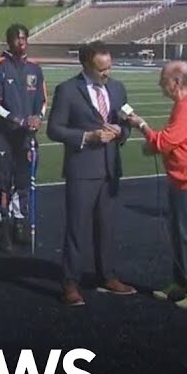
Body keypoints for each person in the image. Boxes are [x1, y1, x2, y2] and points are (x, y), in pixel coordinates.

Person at [45, 41, 137, 307]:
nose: (107, 73)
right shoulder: (67, 90)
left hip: (110, 168)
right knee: (77, 229)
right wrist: (88, 136)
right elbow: (54, 129)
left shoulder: (117, 88)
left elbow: (125, 123)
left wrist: (122, 133)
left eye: (109, 67)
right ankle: (70, 283)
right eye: (101, 69)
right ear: (85, 65)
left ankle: (107, 276)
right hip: (82, 170)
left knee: (106, 228)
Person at [125, 60, 187, 310]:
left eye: (163, 80)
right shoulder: (182, 104)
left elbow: (166, 142)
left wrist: (141, 126)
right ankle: (181, 283)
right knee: (178, 234)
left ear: (176, 82)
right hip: (180, 177)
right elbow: (169, 141)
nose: (160, 86)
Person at [0, 24, 47, 251]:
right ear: (8, 41)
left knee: (24, 182)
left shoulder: (35, 68)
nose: (21, 42)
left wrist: (37, 118)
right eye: (16, 38)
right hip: (5, 137)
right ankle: (4, 227)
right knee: (4, 184)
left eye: (24, 38)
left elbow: (42, 100)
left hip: (27, 137)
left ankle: (19, 223)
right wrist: (17, 119)